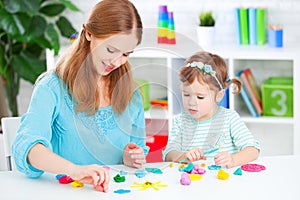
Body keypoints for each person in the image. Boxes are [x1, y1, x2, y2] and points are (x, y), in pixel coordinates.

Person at [12, 0, 149, 192]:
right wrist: (73, 170)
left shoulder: (130, 93)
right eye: (111, 50)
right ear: (89, 34)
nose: (116, 61)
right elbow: (27, 148)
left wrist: (130, 157)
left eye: (126, 54)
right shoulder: (52, 87)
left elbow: (139, 147)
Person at [163, 51, 260, 168]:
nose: (192, 102)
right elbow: (169, 153)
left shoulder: (229, 119)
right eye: (186, 94)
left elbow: (252, 150)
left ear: (219, 95)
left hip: (224, 182)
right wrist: (183, 156)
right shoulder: (181, 122)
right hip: (192, 183)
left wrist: (233, 160)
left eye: (200, 97)